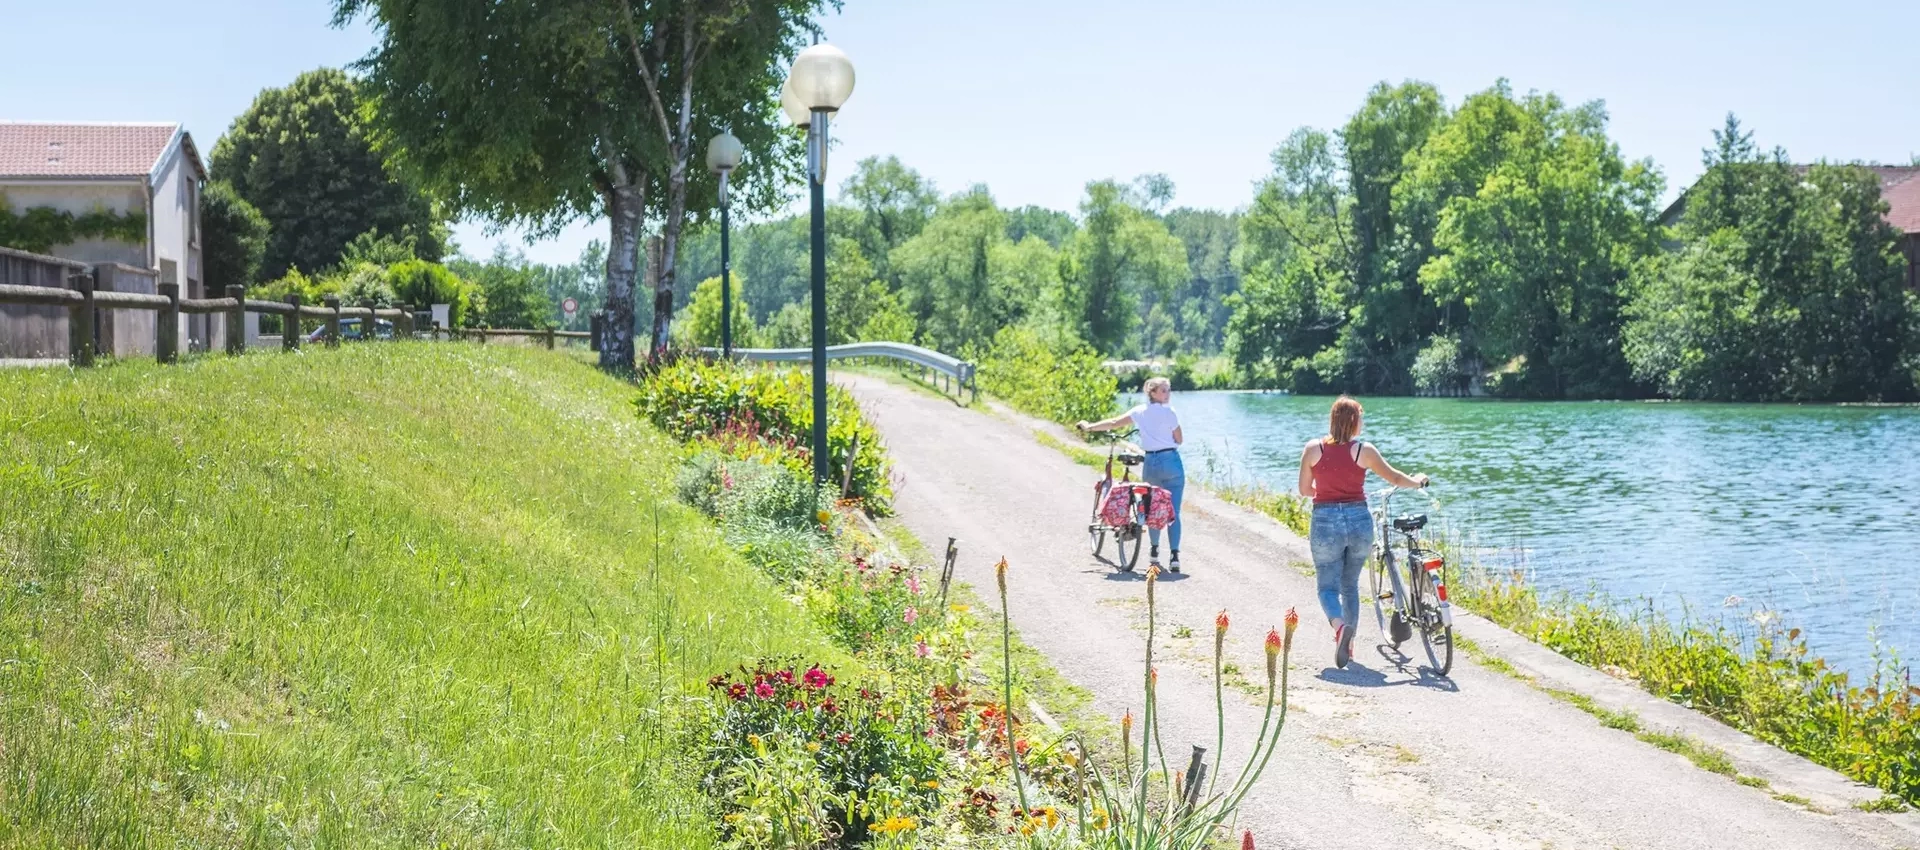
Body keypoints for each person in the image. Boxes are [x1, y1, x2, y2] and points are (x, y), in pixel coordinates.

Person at [1298, 396, 1428, 669]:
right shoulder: (1364, 451)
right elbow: (1394, 477)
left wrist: (1325, 490)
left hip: (1325, 521)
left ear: (1332, 420)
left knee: (1327, 587)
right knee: (1350, 584)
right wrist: (1417, 482)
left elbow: (1305, 490)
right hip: (1359, 521)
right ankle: (1349, 643)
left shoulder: (1312, 449)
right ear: (1355, 423)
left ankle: (1339, 627)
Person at [1077, 377, 1186, 572]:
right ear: (1152, 392)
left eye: (1168, 390)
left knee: (1153, 508)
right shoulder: (1170, 413)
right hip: (1171, 462)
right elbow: (1179, 439)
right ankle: (1175, 556)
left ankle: (1154, 551)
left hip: (1151, 463)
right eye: (1163, 390)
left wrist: (1090, 426)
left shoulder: (1139, 412)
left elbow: (1114, 423)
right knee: (1174, 512)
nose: (1167, 394)